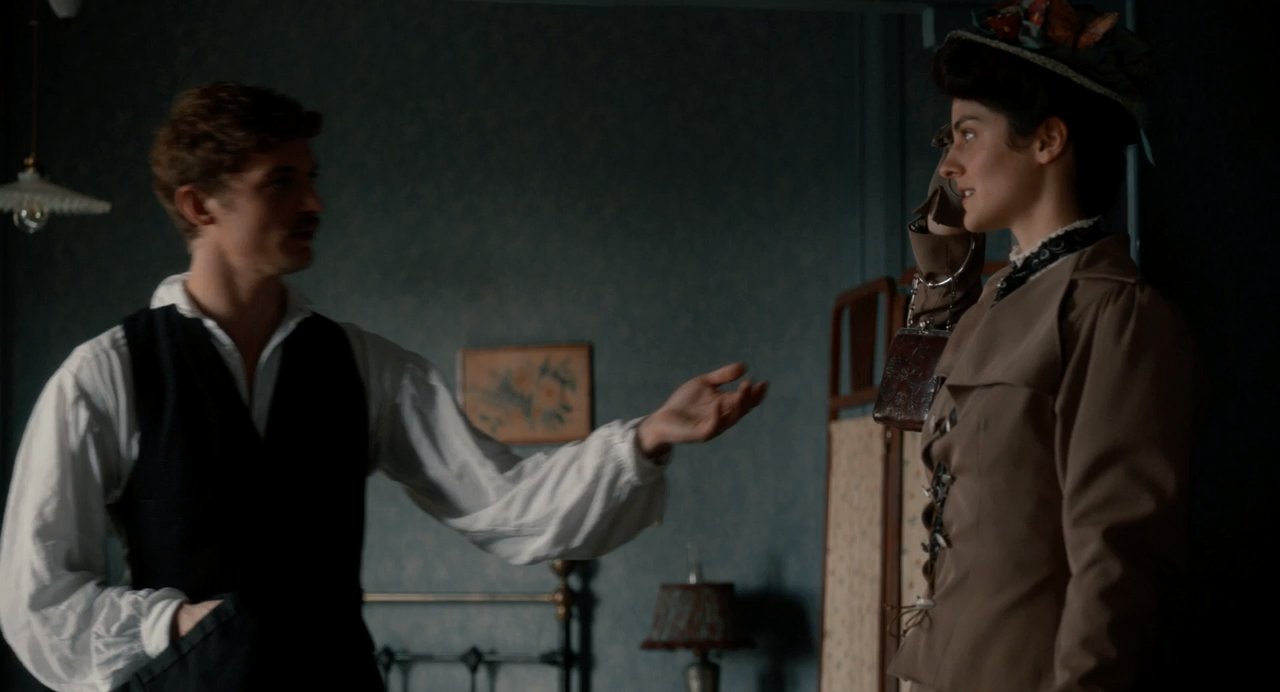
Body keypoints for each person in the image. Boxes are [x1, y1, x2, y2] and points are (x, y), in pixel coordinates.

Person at [0, 81, 767, 691]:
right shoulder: (105, 375)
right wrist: (176, 625)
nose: (314, 204)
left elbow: (507, 502)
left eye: (312, 179)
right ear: (200, 204)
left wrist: (646, 438)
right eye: (281, 183)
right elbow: (37, 604)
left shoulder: (362, 366)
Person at [885, 2, 1193, 691]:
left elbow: (1117, 558)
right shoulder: (994, 299)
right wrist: (943, 257)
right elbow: (905, 406)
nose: (949, 163)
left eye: (968, 134)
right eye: (948, 139)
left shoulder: (1113, 312)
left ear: (1048, 139)